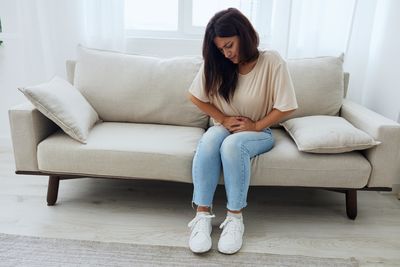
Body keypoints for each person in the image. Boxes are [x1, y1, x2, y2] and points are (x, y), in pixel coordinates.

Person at [187, 8, 298, 254]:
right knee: (209, 142)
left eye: (229, 45)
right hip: (224, 129)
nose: (226, 53)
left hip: (258, 133)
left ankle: (235, 218)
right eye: (221, 49)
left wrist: (257, 125)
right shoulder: (219, 64)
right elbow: (195, 96)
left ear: (244, 34)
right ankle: (202, 217)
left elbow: (287, 106)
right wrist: (223, 118)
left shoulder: (272, 61)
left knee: (232, 145)